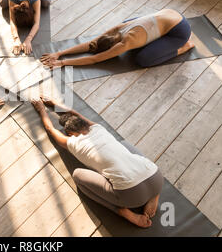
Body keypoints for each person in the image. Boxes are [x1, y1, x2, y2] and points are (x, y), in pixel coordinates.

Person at [31, 96, 163, 228]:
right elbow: (76, 113)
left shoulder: (72, 142)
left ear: (70, 134)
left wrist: (41, 109)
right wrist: (54, 103)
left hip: (132, 197)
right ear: (86, 125)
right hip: (156, 177)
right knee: (124, 146)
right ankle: (154, 195)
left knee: (77, 175)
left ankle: (122, 212)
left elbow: (50, 129)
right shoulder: (97, 127)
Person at [40, 8, 194, 69]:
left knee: (143, 60)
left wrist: (62, 63)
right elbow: (91, 44)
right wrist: (59, 53)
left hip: (179, 30)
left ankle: (184, 47)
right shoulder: (117, 29)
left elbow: (96, 59)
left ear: (114, 48)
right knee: (133, 27)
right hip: (169, 12)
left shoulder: (126, 42)